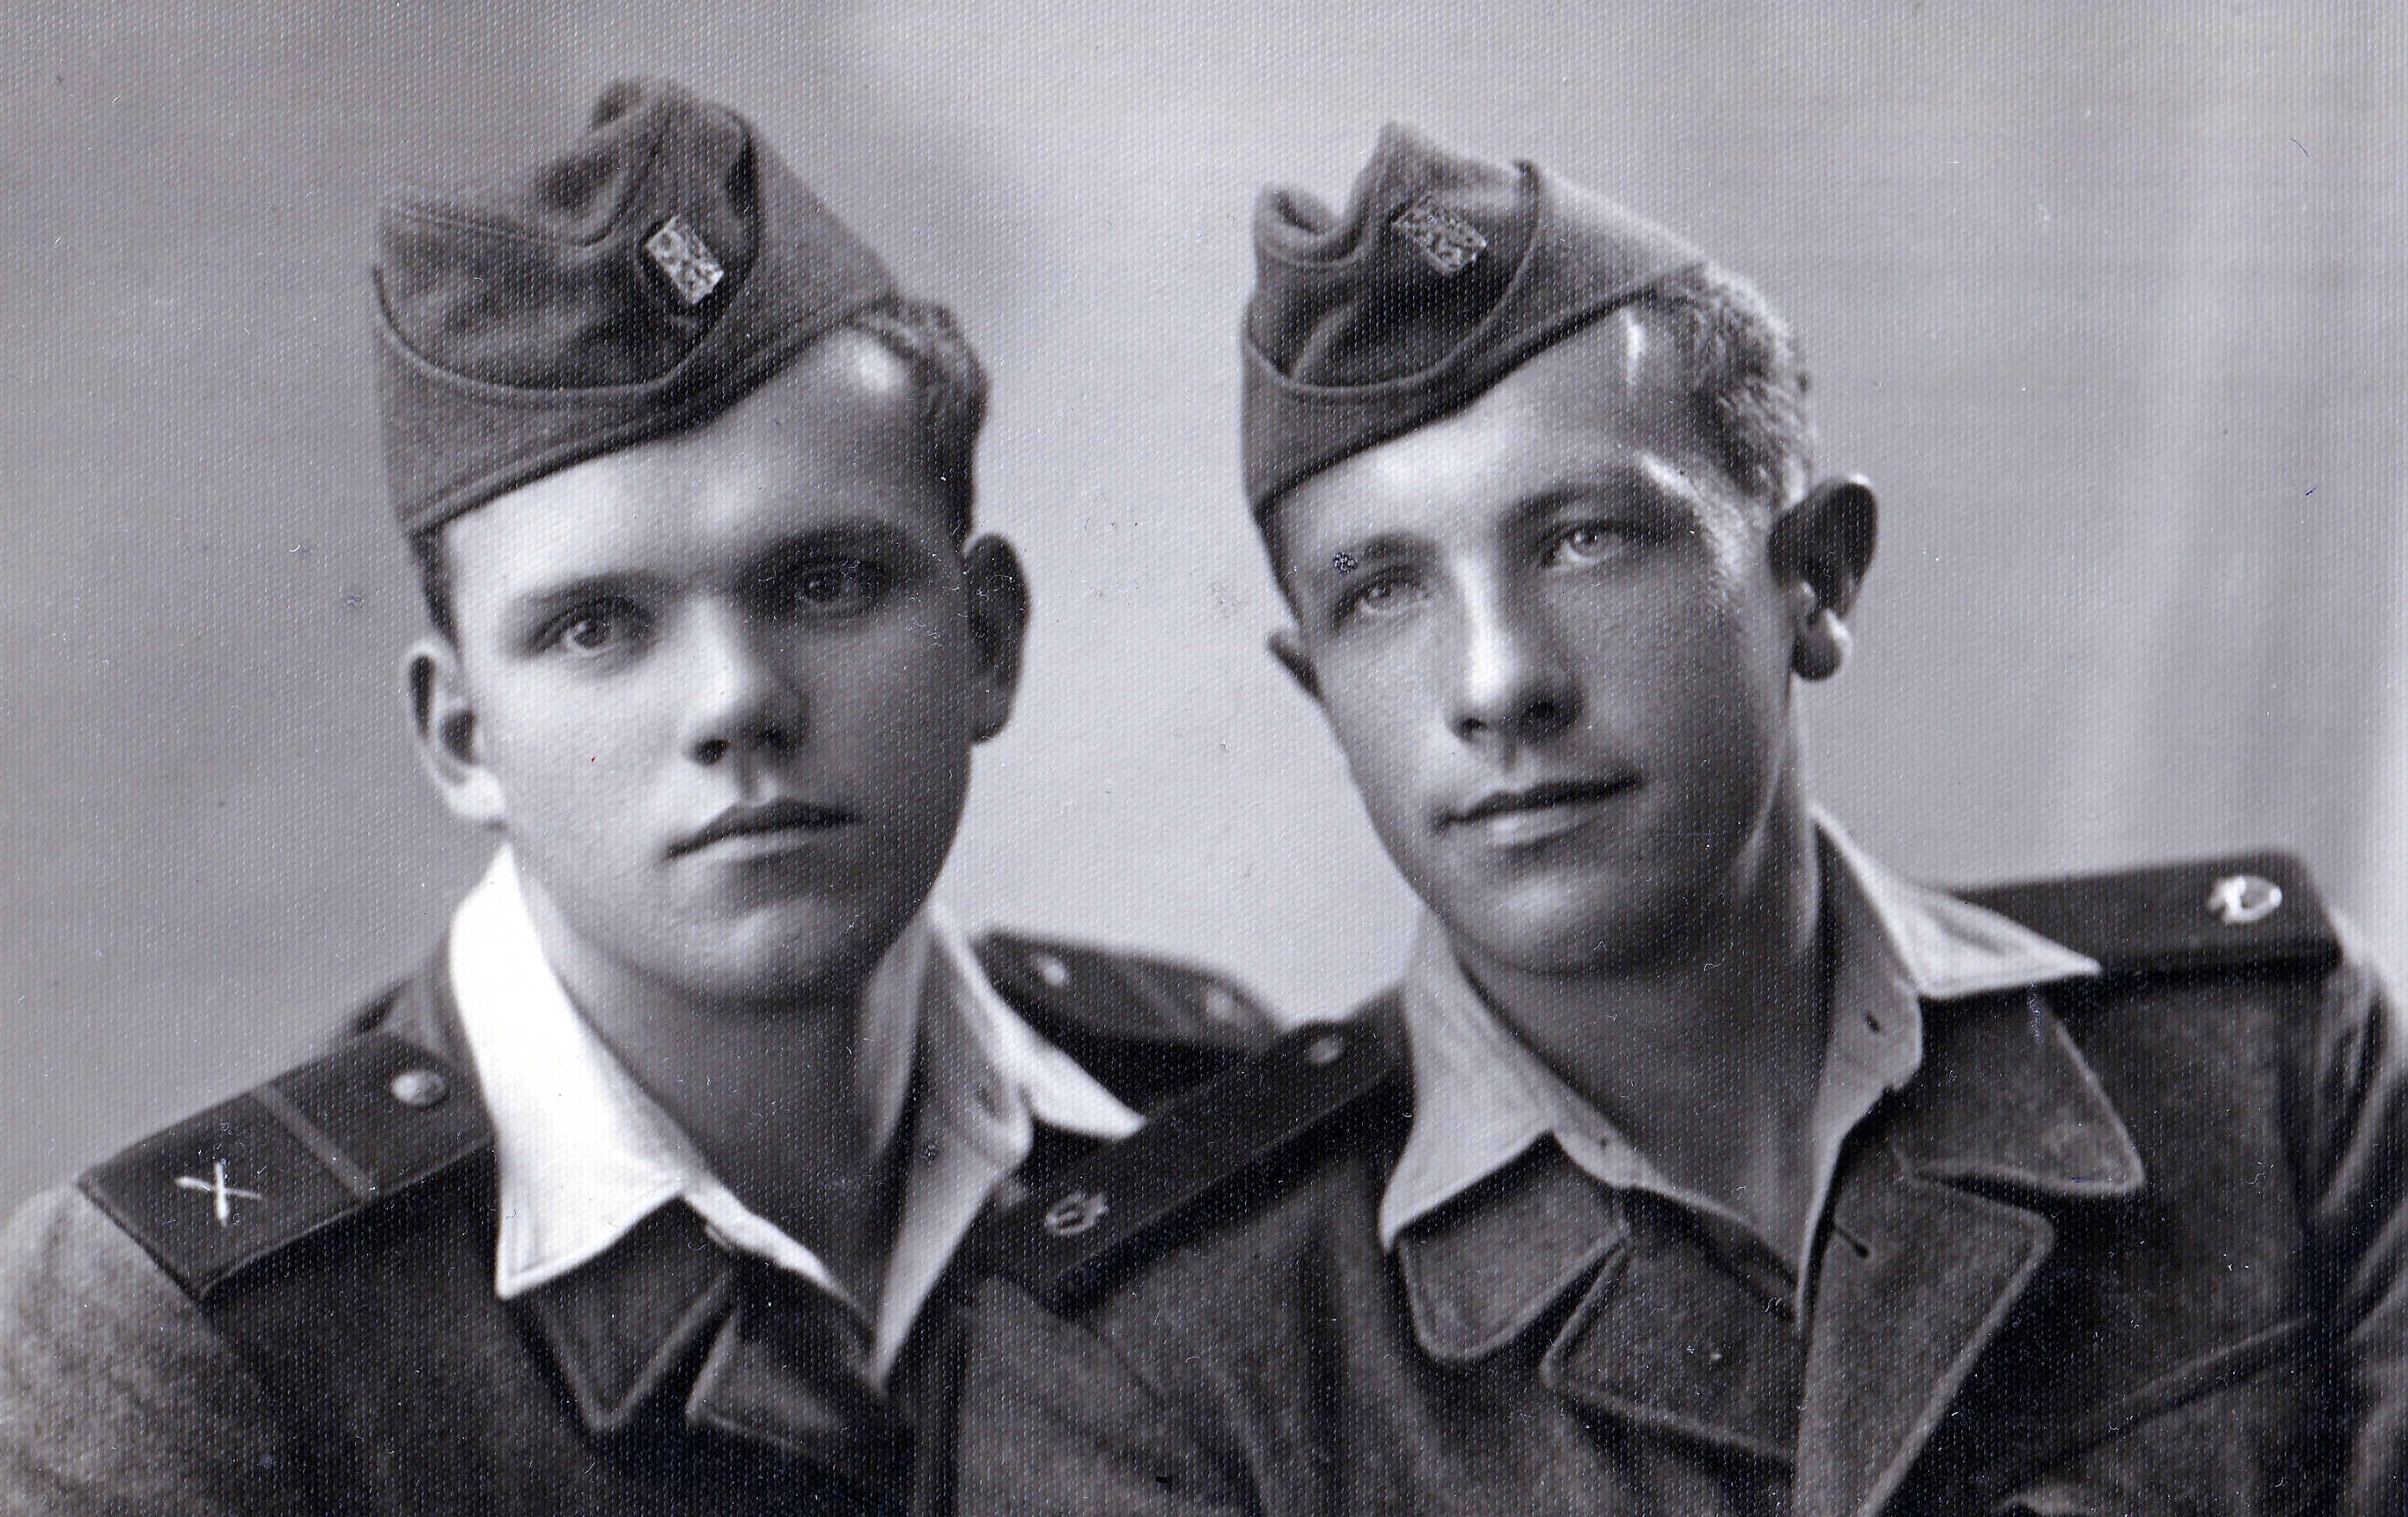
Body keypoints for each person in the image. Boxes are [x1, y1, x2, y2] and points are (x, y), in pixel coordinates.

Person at [955, 124, 2408, 1514]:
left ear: (1816, 578)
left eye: (1585, 539)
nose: (1498, 683)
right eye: (1382, 593)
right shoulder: (1154, 1354)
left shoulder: (2264, 1078)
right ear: (1317, 690)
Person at [0, 79, 1272, 1517]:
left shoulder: (1207, 1129)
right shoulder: (201, 1339)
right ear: (462, 737)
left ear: (985, 642)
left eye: (826, 582)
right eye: (595, 627)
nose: (735, 702)